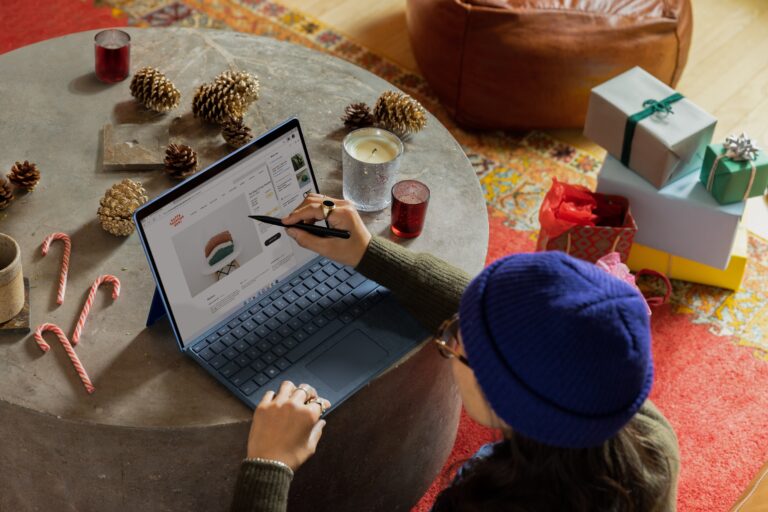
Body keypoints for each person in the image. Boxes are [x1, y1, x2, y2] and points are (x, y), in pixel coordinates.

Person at [229, 194, 680, 512]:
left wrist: (269, 465)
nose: (451, 338)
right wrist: (369, 253)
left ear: (500, 392)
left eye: (457, 342)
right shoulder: (645, 432)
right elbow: (531, 329)